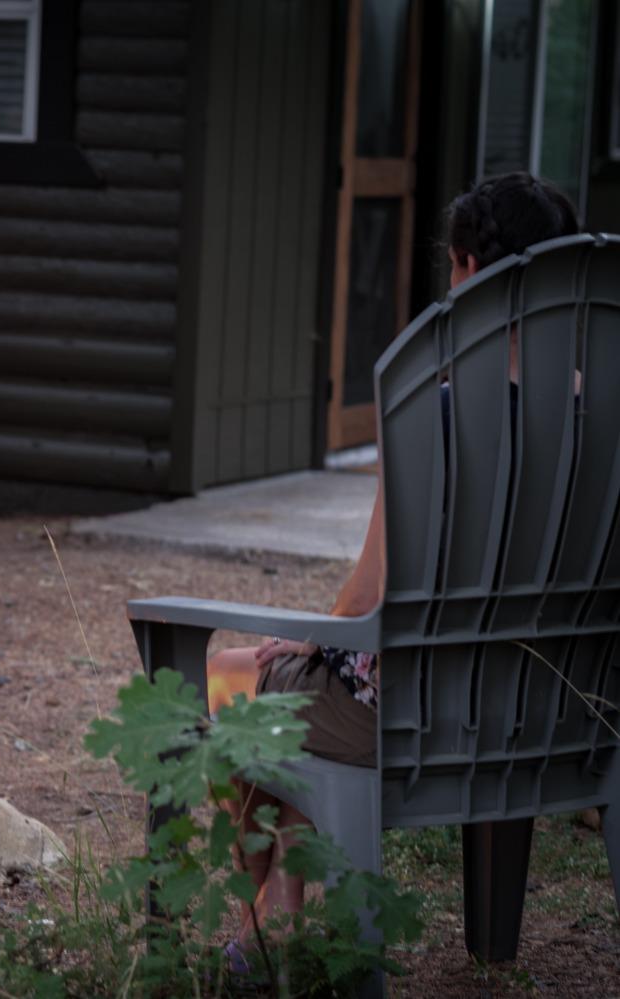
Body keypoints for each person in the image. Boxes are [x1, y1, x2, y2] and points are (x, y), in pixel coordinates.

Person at [207, 172, 580, 971]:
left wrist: (308, 638)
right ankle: (284, 904)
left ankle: (259, 929)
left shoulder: (436, 409)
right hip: (547, 714)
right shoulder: (596, 412)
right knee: (306, 688)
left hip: (416, 716)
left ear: (469, 268)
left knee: (231, 678)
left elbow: (368, 594)